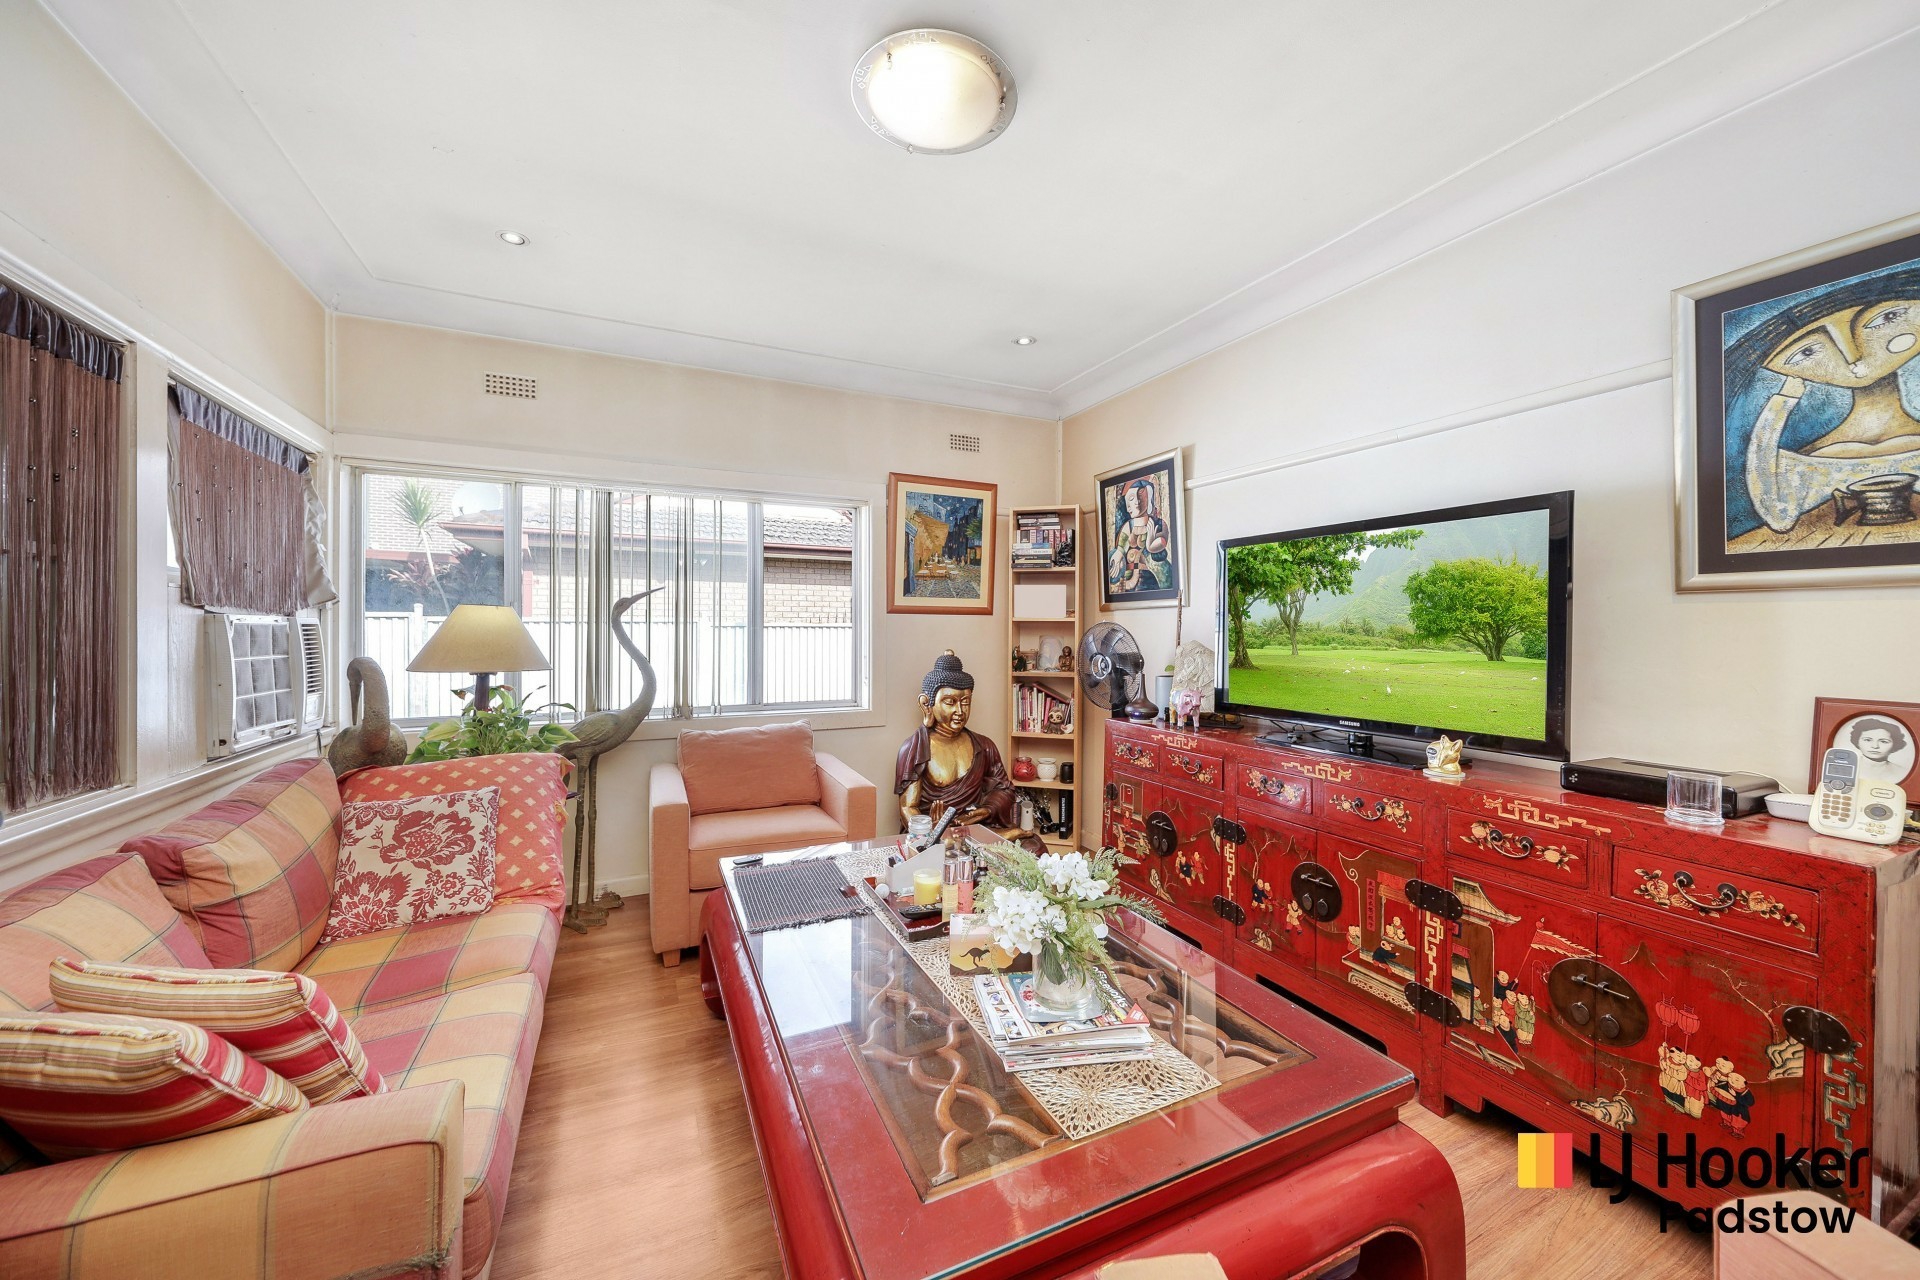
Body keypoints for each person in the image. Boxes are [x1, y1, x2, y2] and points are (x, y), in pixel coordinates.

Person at [1729, 264, 1920, 536]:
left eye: (1888, 317)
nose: (1852, 357)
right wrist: (1781, 403)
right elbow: (1779, 517)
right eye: (1806, 352)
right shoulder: (1806, 467)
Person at [894, 650, 1017, 832]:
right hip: (930, 834)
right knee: (946, 849)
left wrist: (984, 811)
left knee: (1033, 844)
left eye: (965, 702)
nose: (960, 711)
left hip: (974, 829)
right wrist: (933, 831)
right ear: (926, 704)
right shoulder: (915, 749)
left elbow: (1004, 790)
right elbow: (907, 808)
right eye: (950, 702)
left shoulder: (984, 746)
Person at [1847, 715, 1912, 784]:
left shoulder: (1901, 772)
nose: (1875, 746)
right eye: (1867, 740)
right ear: (1857, 741)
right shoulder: (1846, 768)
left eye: (1883, 741)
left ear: (1895, 744)